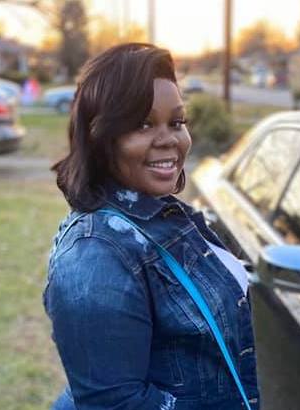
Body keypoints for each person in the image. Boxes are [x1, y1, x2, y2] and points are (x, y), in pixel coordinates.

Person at [43, 43, 260, 410]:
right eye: (143, 124)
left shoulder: (161, 215)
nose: (169, 140)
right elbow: (114, 404)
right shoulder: (94, 254)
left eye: (177, 122)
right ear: (101, 136)